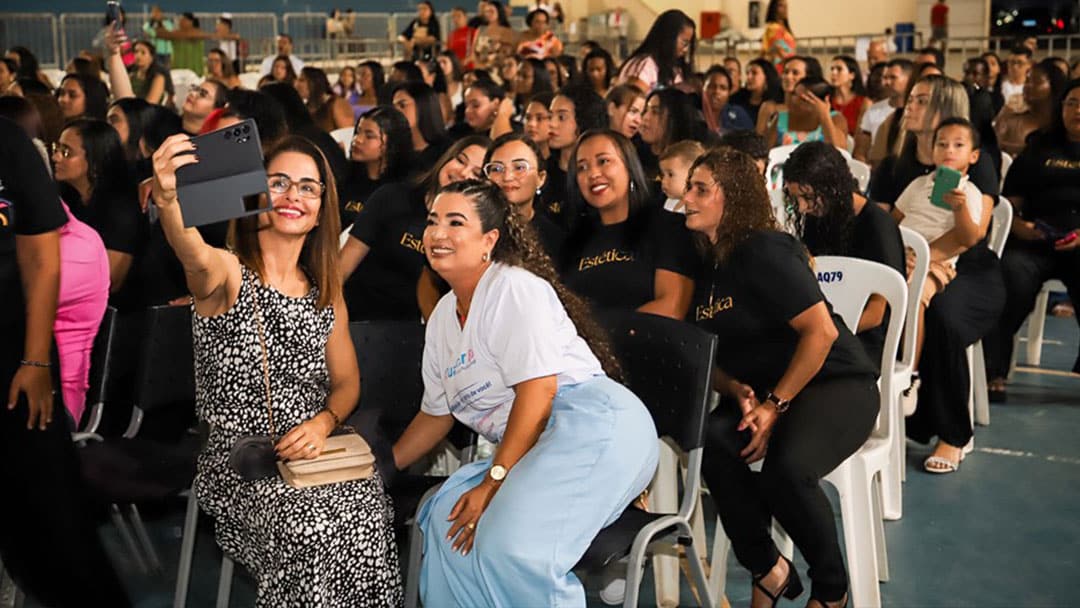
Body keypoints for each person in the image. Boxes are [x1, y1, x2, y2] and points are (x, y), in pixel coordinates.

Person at [150, 132, 402, 605]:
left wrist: (323, 422)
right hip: (240, 463)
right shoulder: (226, 272)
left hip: (312, 454)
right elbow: (189, 247)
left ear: (323, 205)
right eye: (280, 182)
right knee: (310, 528)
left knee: (369, 512)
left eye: (308, 187)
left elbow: (347, 385)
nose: (293, 196)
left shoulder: (325, 291)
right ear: (255, 192)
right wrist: (168, 200)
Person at [393, 179, 658, 607]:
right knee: (447, 522)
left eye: (455, 222)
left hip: (594, 426)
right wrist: (381, 466)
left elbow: (538, 396)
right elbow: (436, 415)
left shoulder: (514, 288)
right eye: (432, 221)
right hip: (535, 442)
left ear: (489, 240)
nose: (438, 233)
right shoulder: (444, 316)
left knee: (515, 547)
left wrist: (493, 481)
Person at [682, 146, 877, 608]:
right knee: (712, 441)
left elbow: (821, 332)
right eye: (687, 186)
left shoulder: (763, 249)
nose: (685, 197)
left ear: (732, 197)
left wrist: (775, 406)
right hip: (765, 392)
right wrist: (734, 390)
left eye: (699, 189)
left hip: (834, 383)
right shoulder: (706, 263)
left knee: (786, 471)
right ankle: (769, 568)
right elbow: (705, 348)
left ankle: (832, 591)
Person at [0, 116, 132, 608]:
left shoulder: (8, 144)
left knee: (55, 535)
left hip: (17, 360)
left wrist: (35, 363)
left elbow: (40, 259)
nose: (58, 157)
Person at [869, 75, 1004, 474]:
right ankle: (876, 408)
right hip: (906, 256)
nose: (908, 106)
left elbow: (972, 234)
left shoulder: (971, 168)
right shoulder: (903, 166)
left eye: (921, 100)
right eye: (910, 98)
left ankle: (953, 432)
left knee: (941, 317)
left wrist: (920, 258)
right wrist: (894, 255)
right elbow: (883, 219)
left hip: (966, 266)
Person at [984, 80, 1080, 400]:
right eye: (1071, 103)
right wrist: (1019, 227)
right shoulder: (1038, 148)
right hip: (1034, 240)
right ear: (1060, 108)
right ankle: (994, 370)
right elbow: (1009, 202)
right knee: (1010, 275)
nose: (1077, 110)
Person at [343, 135, 489, 322]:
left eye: (476, 174)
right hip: (358, 318)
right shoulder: (391, 197)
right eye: (460, 160)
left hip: (420, 331)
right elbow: (343, 267)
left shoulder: (474, 231)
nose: (463, 172)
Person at [784, 140, 905, 363]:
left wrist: (822, 333)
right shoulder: (818, 217)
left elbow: (876, 314)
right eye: (796, 199)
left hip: (864, 338)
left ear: (832, 186)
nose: (801, 207)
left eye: (808, 197)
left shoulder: (878, 227)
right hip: (829, 324)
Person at [560, 129, 697, 318]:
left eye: (603, 161)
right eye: (582, 167)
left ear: (630, 167)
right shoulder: (571, 243)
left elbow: (672, 307)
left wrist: (601, 334)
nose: (593, 173)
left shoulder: (667, 226)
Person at [53, 119, 145, 302]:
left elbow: (112, 279)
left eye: (66, 152)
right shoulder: (66, 196)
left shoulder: (122, 209)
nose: (55, 157)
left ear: (95, 162)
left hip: (111, 310)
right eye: (56, 148)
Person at [484, 132, 565, 257]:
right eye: (497, 169)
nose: (507, 177)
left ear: (541, 178)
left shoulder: (555, 239)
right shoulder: (474, 228)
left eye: (520, 167)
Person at [543, 84, 608, 230]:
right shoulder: (542, 172)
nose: (551, 124)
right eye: (550, 116)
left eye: (561, 117)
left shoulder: (600, 175)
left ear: (583, 120)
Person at [340, 106, 414, 230]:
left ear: (392, 143)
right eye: (358, 132)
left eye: (369, 136)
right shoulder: (344, 177)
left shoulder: (402, 189)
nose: (357, 140)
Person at [994, 59, 1068, 157]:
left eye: (1036, 82)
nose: (1027, 86)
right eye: (1027, 81)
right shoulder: (1011, 116)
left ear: (1054, 86)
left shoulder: (1064, 121)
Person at [617, 10, 695, 93]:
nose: (686, 49)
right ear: (669, 37)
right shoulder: (644, 65)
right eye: (684, 42)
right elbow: (635, 100)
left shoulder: (675, 68)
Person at [764, 77, 848, 149]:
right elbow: (767, 151)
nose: (794, 100)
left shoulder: (836, 119)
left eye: (803, 99)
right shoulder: (781, 118)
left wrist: (824, 116)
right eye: (794, 94)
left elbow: (839, 151)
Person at [756, 55, 823, 134]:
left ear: (808, 78)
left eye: (795, 73)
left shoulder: (819, 109)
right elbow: (758, 141)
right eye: (785, 72)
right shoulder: (769, 108)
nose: (788, 76)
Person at [392, 81, 450, 167]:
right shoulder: (394, 150)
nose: (395, 112)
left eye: (402, 105)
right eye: (394, 106)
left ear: (423, 106)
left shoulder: (447, 153)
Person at [869, 58, 914, 167]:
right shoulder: (873, 110)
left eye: (893, 77)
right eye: (885, 78)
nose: (886, 82)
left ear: (909, 79)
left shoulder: (916, 112)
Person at [297, 67, 355, 132]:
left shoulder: (336, 103)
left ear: (314, 82)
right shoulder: (305, 107)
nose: (297, 84)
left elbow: (347, 134)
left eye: (302, 80)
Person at [703, 65, 755, 135]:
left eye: (723, 88)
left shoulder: (738, 115)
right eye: (712, 86)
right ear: (703, 89)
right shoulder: (693, 115)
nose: (716, 91)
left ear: (729, 93)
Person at [658, 140, 705, 213]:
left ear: (692, 174)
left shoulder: (695, 209)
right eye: (663, 175)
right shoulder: (669, 202)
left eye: (670, 175)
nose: (663, 181)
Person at [829, 55, 870, 136]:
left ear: (852, 75)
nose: (833, 73)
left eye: (839, 69)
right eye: (832, 69)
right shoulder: (827, 100)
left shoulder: (862, 102)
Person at [469, 0, 515, 71]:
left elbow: (508, 53)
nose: (488, 14)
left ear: (499, 12)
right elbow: (473, 51)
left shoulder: (507, 31)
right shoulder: (481, 29)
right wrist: (479, 64)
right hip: (480, 69)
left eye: (491, 11)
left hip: (499, 69)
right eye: (486, 11)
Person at [128, 40, 173, 105]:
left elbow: (151, 103)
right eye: (136, 52)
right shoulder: (131, 76)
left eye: (143, 53)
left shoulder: (158, 78)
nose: (138, 56)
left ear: (151, 57)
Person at [761, 0, 796, 72]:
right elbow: (778, 46)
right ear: (774, 8)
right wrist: (791, 61)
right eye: (781, 6)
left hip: (788, 63)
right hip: (779, 66)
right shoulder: (773, 28)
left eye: (786, 6)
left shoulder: (786, 29)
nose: (785, 9)